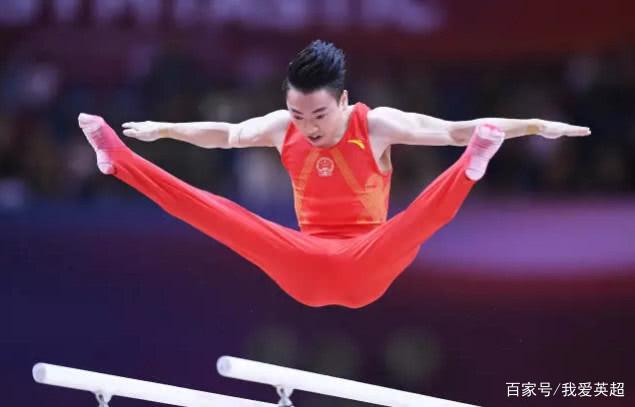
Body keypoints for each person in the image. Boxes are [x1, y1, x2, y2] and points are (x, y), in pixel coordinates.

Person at [78, 40, 590, 308]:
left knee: (414, 222)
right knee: (221, 215)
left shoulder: (377, 125)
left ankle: (471, 167)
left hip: (370, 261)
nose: (309, 127)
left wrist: (534, 125)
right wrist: (165, 130)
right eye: (298, 115)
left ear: (343, 100)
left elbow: (456, 130)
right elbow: (228, 134)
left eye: (320, 115)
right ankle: (119, 161)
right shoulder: (283, 127)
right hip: (303, 264)